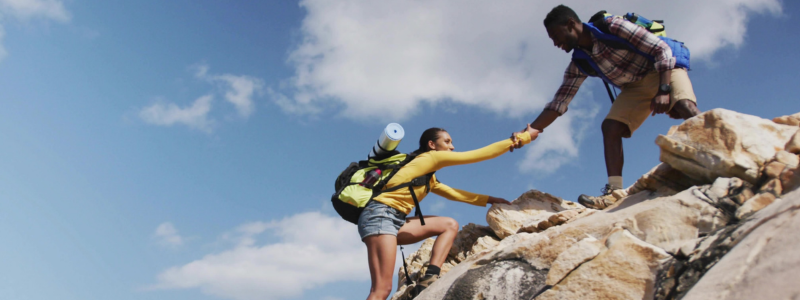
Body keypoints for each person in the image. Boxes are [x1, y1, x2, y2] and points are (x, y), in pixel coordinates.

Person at [520, 5, 701, 209]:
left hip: (664, 69)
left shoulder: (613, 27)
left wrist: (664, 89)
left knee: (685, 106)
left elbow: (662, 50)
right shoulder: (579, 63)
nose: (555, 43)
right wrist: (531, 131)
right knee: (611, 127)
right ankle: (614, 192)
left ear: (571, 24)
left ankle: (713, 148)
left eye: (555, 35)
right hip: (635, 86)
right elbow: (559, 103)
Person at [360, 125, 539, 300]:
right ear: (432, 145)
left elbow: (453, 194)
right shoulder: (431, 158)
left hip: (394, 221)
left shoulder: (428, 177)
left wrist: (490, 199)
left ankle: (429, 278)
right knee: (381, 290)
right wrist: (524, 137)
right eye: (447, 141)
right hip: (380, 216)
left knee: (449, 224)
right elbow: (477, 155)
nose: (452, 146)